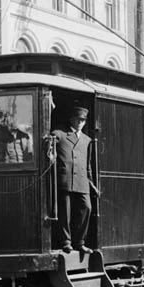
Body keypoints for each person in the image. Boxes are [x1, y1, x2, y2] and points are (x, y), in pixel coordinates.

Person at [52, 106, 98, 254]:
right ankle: (66, 241)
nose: (80, 122)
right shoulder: (59, 134)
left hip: (82, 181)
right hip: (66, 179)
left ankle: (80, 241)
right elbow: (51, 140)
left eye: (83, 120)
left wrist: (92, 185)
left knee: (87, 208)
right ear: (71, 119)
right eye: (78, 119)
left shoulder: (87, 140)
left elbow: (88, 164)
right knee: (65, 211)